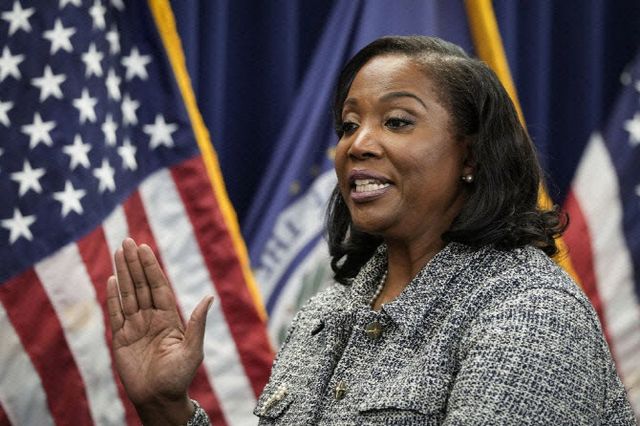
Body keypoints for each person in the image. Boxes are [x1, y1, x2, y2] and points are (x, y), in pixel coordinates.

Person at [106, 36, 637, 425]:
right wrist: (165, 408)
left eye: (397, 121)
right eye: (348, 125)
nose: (357, 144)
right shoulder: (326, 313)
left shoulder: (530, 311)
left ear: (471, 155)